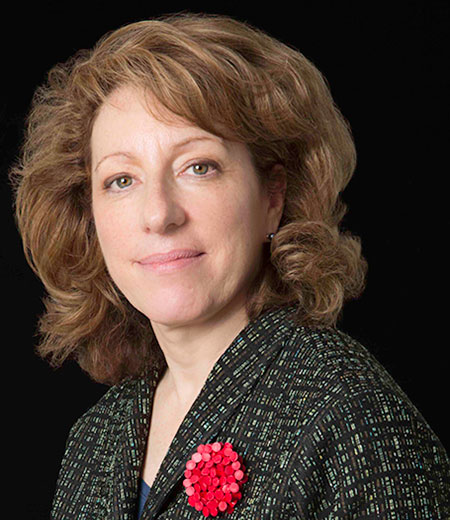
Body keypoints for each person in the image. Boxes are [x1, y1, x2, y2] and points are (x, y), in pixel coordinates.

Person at [10, 12, 449, 520]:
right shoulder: (97, 439)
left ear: (273, 195)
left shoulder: (349, 414)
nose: (159, 214)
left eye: (199, 167)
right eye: (121, 180)